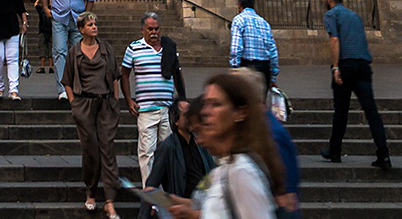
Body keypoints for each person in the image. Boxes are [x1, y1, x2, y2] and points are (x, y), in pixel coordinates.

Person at [161, 72, 284, 219]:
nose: (206, 111)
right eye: (206, 104)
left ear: (240, 112)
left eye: (216, 104)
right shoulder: (222, 169)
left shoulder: (242, 172)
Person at [320, 0, 392, 170]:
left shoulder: (331, 15)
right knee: (371, 111)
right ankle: (383, 153)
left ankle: (334, 151)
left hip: (345, 65)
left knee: (341, 110)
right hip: (363, 65)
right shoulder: (355, 16)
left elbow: (335, 40)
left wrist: (336, 67)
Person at [66, 12, 120, 215]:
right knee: (91, 151)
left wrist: (115, 100)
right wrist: (74, 104)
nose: (94, 27)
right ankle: (91, 192)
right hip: (84, 105)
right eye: (90, 24)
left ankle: (109, 200)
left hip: (105, 103)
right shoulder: (74, 51)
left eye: (95, 23)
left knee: (107, 149)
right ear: (81, 29)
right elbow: (68, 80)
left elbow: (115, 76)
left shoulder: (106, 49)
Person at [120, 13, 176, 184]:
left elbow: (177, 74)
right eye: (150, 29)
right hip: (146, 110)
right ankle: (150, 193)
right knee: (147, 152)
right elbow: (124, 74)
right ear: (142, 30)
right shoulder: (134, 48)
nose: (154, 32)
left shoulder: (169, 47)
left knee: (169, 152)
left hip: (167, 108)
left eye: (156, 29)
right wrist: (129, 99)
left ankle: (167, 191)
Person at [40, 0, 98, 100]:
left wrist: (86, 16)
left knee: (79, 53)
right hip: (59, 18)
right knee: (59, 51)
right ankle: (63, 89)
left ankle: (78, 86)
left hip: (78, 21)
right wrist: (46, 9)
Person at [145, 98, 207, 200]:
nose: (192, 117)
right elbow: (152, 184)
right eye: (187, 114)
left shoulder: (200, 144)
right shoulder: (168, 147)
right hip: (181, 207)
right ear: (176, 121)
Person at [228, 0, 277, 90]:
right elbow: (273, 51)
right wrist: (273, 77)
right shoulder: (264, 22)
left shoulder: (239, 20)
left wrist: (235, 68)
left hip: (248, 67)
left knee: (245, 101)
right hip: (264, 68)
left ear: (239, 4)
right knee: (260, 103)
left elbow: (236, 48)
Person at [34, 0, 56, 74]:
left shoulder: (44, 9)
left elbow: (36, 4)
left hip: (46, 30)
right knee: (47, 49)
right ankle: (48, 66)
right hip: (47, 30)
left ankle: (46, 67)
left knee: (46, 48)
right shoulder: (47, 9)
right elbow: (36, 4)